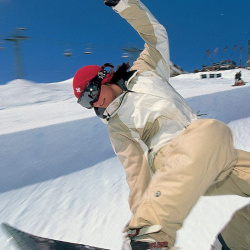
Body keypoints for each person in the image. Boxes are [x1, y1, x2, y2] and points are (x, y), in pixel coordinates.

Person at [73, 1, 250, 249]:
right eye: (85, 103)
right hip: (172, 159)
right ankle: (149, 234)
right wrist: (140, 221)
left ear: (104, 77)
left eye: (90, 93)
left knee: (210, 136)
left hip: (211, 155)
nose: (93, 103)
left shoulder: (146, 70)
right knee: (212, 131)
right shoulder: (117, 125)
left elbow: (155, 34)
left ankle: (232, 244)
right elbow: (137, 173)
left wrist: (122, 4)